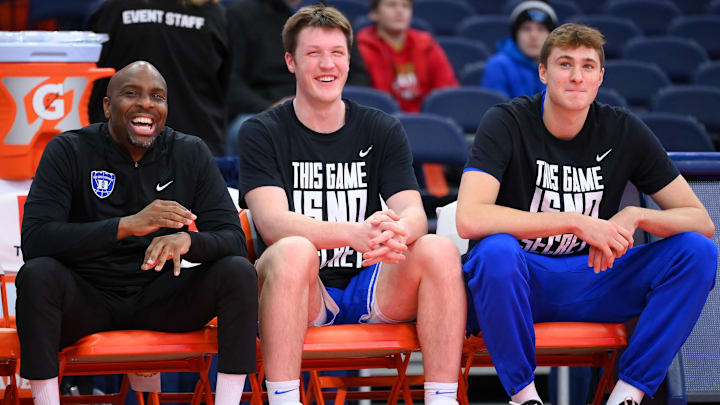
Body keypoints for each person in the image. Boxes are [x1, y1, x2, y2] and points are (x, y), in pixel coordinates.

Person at [457, 23, 717, 405]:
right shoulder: (506, 121)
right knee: (495, 251)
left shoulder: (623, 129)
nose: (577, 76)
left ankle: (628, 394)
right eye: (565, 64)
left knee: (698, 252)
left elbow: (702, 221)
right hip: (520, 281)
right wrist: (575, 221)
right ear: (543, 72)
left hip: (595, 278)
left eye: (588, 66)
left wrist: (636, 216)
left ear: (600, 77)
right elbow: (470, 218)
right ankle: (524, 396)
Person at [237, 5, 466, 405]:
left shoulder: (381, 127)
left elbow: (413, 213)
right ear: (291, 61)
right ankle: (285, 399)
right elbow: (271, 223)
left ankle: (442, 399)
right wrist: (355, 233)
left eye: (337, 53)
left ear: (348, 59)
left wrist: (397, 230)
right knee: (292, 249)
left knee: (437, 248)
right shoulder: (262, 131)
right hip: (299, 290)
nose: (328, 64)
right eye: (313, 54)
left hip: (370, 286)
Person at [16, 61, 257, 405]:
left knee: (238, 272)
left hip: (160, 296)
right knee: (37, 275)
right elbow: (36, 241)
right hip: (88, 297)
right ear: (107, 106)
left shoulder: (189, 152)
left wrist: (188, 240)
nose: (146, 104)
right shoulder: (68, 150)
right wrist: (125, 226)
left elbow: (232, 238)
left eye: (157, 97)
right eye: (132, 94)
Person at [87, 0, 231, 156]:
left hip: (119, 147)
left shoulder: (114, 10)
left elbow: (92, 83)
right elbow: (229, 87)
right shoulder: (216, 16)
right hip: (197, 147)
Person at [225, 0, 370, 119]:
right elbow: (230, 80)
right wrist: (267, 107)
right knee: (250, 127)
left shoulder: (332, 18)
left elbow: (358, 76)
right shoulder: (240, 15)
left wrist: (327, 101)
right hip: (265, 107)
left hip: (327, 105)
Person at [356, 0, 458, 113]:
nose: (400, 11)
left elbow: (447, 91)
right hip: (381, 123)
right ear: (374, 14)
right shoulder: (361, 50)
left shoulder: (427, 45)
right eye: (391, 5)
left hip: (424, 122)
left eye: (406, 6)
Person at [482, 1, 557, 98]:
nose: (533, 35)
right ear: (515, 35)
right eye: (526, 29)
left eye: (541, 29)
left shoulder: (560, 65)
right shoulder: (498, 65)